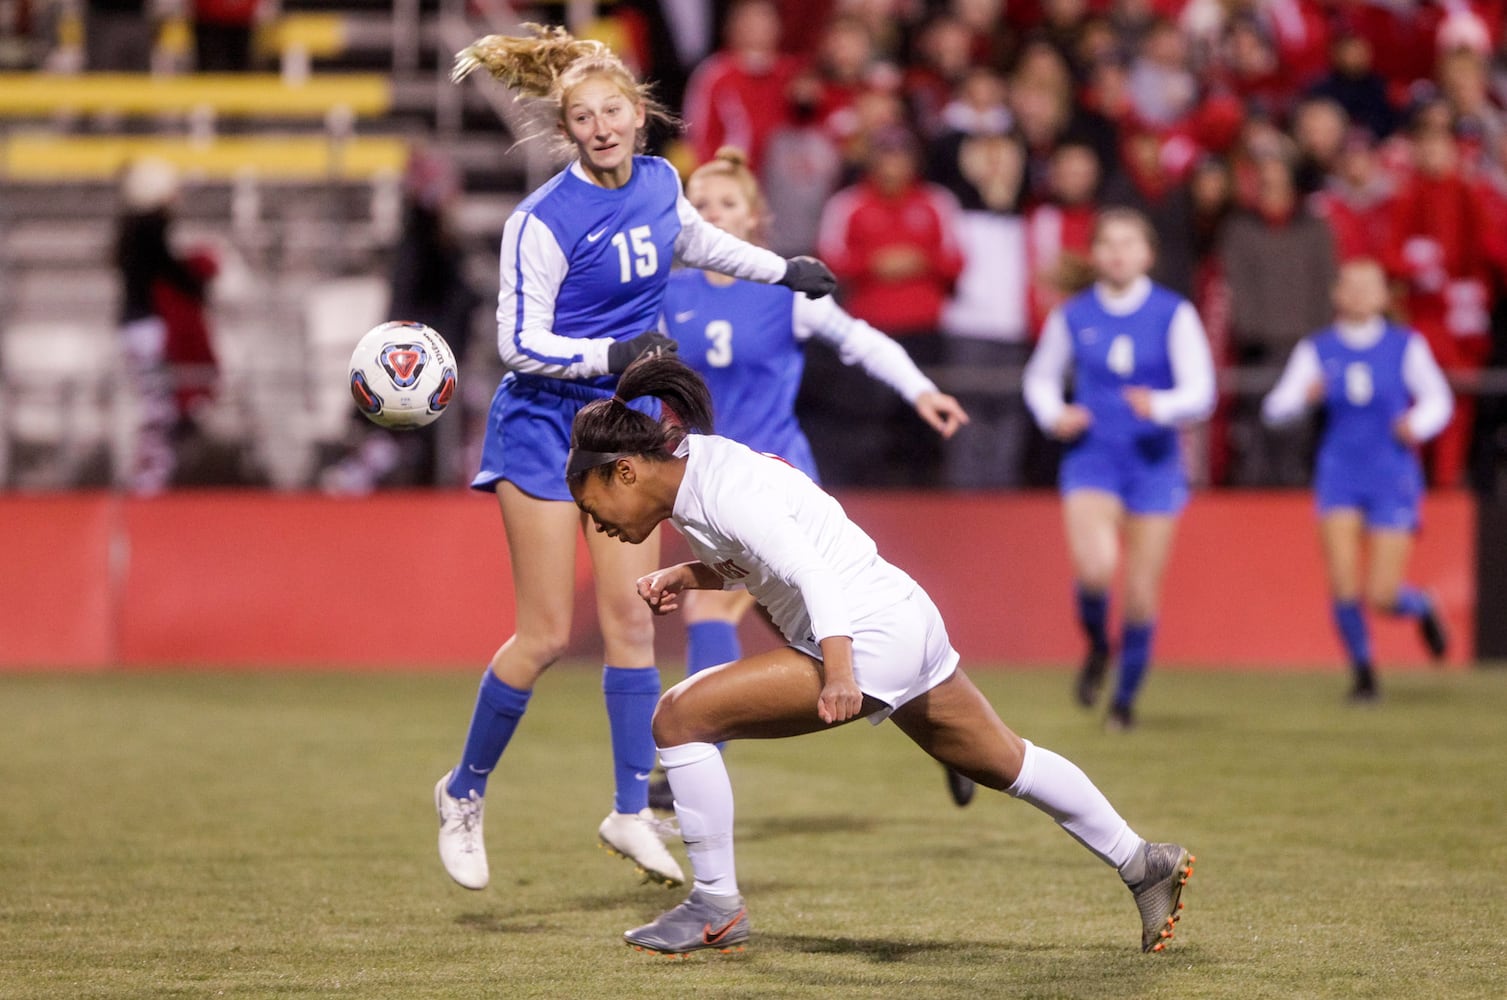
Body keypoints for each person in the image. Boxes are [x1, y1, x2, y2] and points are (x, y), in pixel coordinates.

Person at [563, 354, 1195, 957]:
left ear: (625, 471)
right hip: (903, 614)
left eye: (593, 509)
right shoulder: (696, 472)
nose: (599, 526)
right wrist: (691, 575)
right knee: (1007, 760)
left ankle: (716, 907)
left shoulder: (720, 489)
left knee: (678, 718)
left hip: (865, 635)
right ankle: (1145, 864)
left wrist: (839, 670)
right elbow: (767, 556)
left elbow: (811, 571)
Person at [433, 25, 838, 894]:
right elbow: (515, 342)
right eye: (582, 117)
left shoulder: (659, 183)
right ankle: (463, 792)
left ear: (638, 111)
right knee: (543, 635)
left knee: (630, 625)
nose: (601, 126)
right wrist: (608, 358)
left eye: (612, 109)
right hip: (546, 428)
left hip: (624, 429)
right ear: (568, 129)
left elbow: (698, 243)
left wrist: (782, 270)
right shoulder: (539, 221)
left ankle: (627, 809)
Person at [657, 146, 973, 806]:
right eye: (701, 203)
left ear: (754, 221)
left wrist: (920, 390)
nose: (712, 213)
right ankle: (946, 727)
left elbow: (858, 340)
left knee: (711, 604)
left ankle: (687, 756)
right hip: (706, 488)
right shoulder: (667, 294)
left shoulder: (781, 294)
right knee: (817, 642)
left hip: (776, 481)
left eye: (726, 203)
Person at [1022, 208, 1216, 730]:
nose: (1117, 252)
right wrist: (1054, 413)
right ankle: (1095, 646)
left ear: (1148, 254)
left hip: (1154, 466)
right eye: (1108, 242)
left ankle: (1124, 702)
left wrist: (1164, 407)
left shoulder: (1174, 313)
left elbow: (1202, 391)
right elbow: (1040, 379)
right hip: (1093, 459)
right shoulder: (1074, 315)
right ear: (1095, 253)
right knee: (1096, 569)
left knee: (1140, 593)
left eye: (1129, 242)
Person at [1261, 259, 1453, 702]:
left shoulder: (1405, 346)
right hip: (1339, 474)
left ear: (1385, 297)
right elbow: (1276, 407)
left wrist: (1417, 424)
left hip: (1392, 473)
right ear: (1338, 295)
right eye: (1353, 286)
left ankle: (1421, 605)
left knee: (1381, 593)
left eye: (1371, 287)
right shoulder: (1318, 349)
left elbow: (1437, 399)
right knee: (1344, 582)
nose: (1362, 295)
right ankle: (1364, 674)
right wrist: (1301, 400)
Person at [114, 157, 211, 494]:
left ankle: (153, 471)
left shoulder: (132, 229)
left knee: (156, 401)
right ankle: (152, 474)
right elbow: (170, 270)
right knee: (156, 403)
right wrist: (197, 280)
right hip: (145, 328)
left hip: (136, 325)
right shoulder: (148, 229)